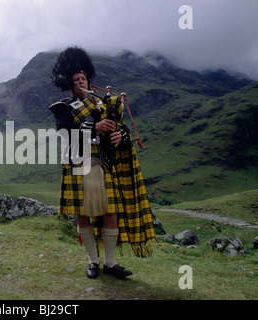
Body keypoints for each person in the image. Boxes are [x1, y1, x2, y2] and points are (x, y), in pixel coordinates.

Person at [49, 46, 155, 279]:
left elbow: (119, 129)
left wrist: (121, 135)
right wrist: (94, 126)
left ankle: (110, 263)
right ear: (69, 83)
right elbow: (65, 133)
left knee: (111, 213)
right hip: (77, 163)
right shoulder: (63, 108)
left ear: (88, 78)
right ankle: (93, 262)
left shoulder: (104, 104)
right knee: (83, 215)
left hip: (102, 164)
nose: (81, 82)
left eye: (83, 77)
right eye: (76, 79)